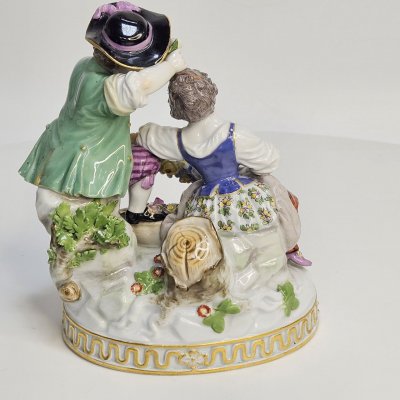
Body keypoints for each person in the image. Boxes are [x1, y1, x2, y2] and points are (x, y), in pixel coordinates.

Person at [135, 68, 311, 269]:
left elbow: (148, 136)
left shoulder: (179, 140)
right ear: (211, 92)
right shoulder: (234, 134)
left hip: (206, 202)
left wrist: (136, 136)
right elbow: (268, 160)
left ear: (176, 104)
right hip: (242, 196)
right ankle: (283, 250)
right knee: (280, 203)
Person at [19, 2, 186, 203]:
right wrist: (171, 67)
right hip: (92, 159)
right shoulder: (109, 86)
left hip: (64, 144)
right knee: (108, 197)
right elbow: (141, 85)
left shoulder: (84, 65)